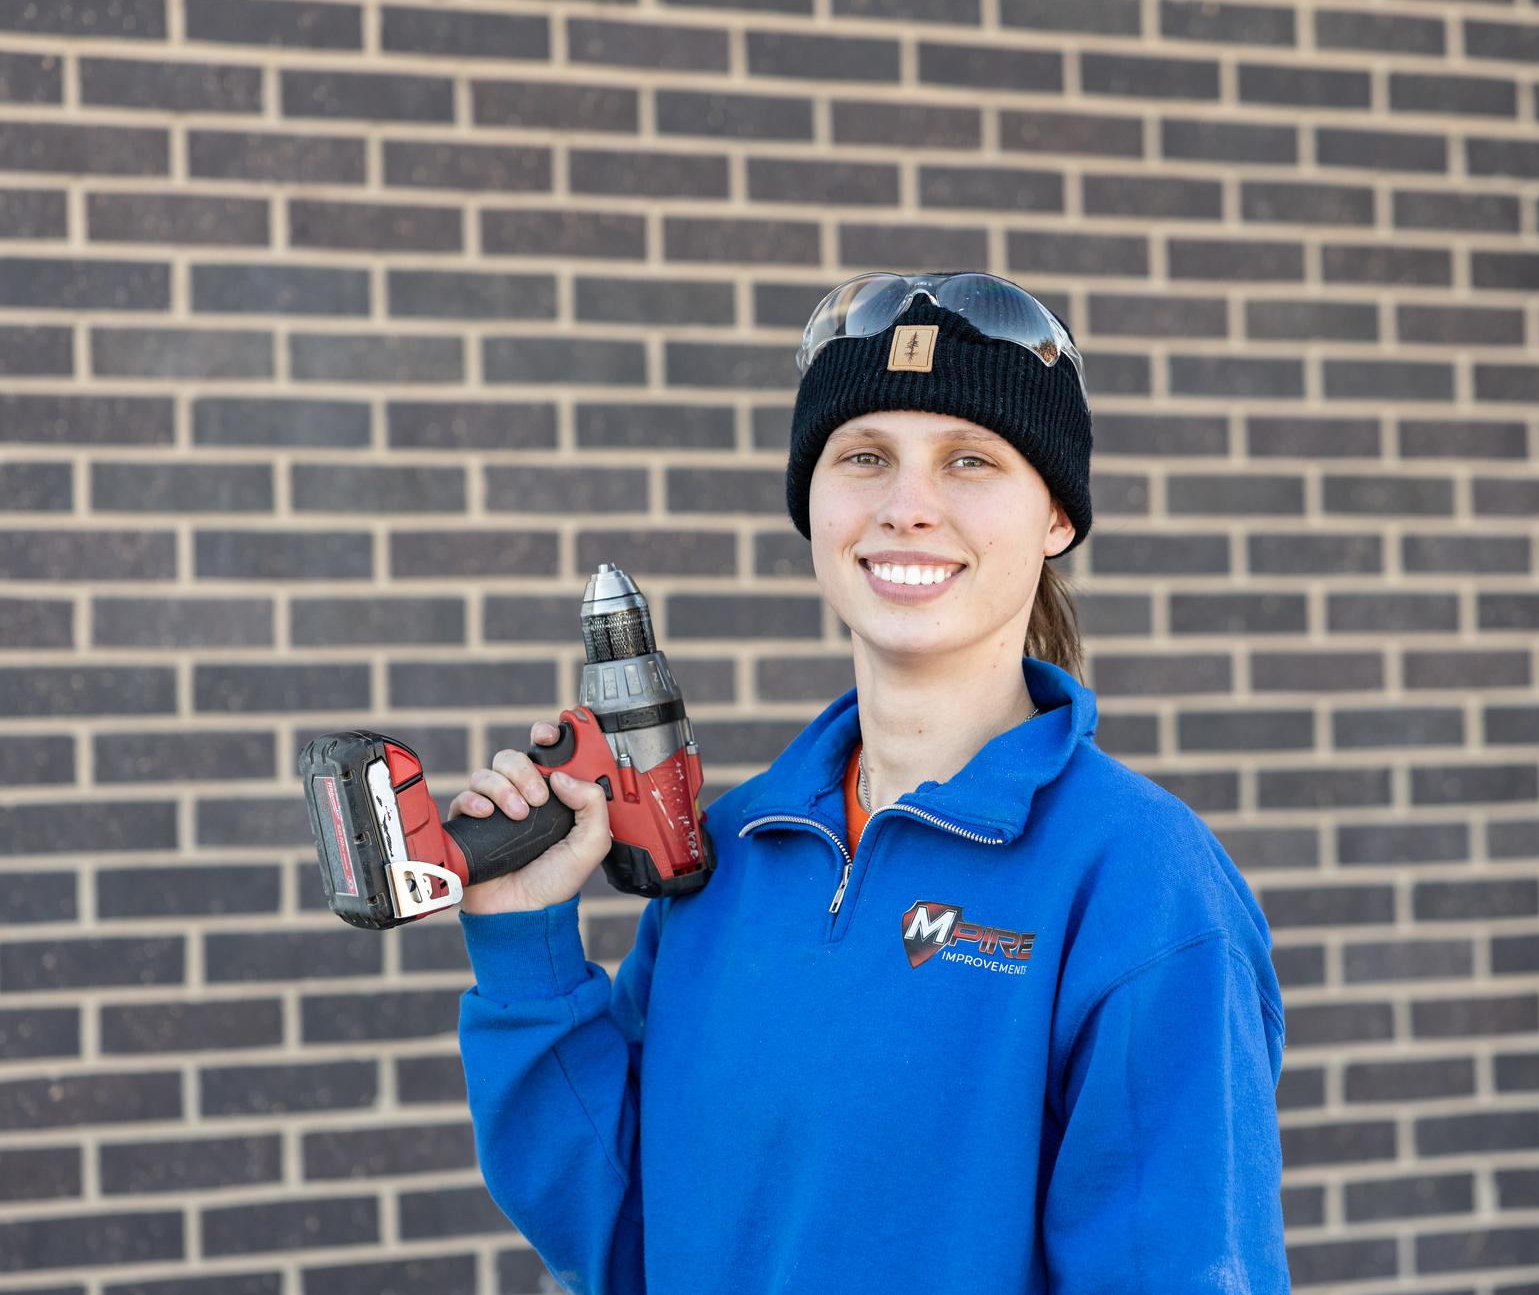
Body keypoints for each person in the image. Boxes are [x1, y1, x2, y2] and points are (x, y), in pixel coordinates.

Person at [449, 272, 1288, 1294]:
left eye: (969, 460)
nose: (906, 508)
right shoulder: (734, 854)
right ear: (812, 499)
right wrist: (525, 945)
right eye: (864, 457)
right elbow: (622, 1240)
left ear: (1057, 515)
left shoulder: (1141, 882)